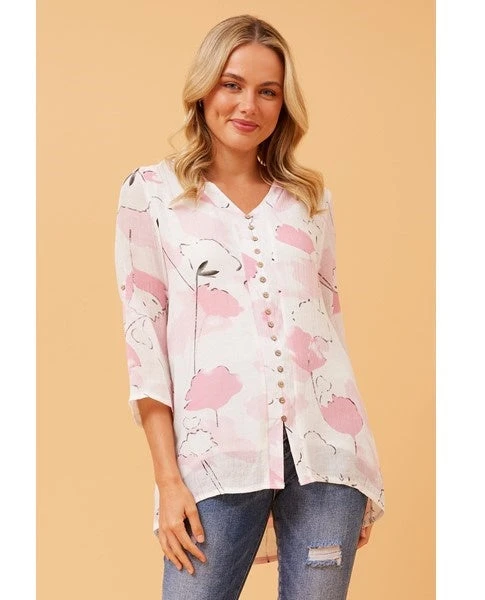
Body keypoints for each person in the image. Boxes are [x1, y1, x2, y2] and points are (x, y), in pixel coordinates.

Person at [114, 14, 385, 600]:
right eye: (232, 84)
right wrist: (168, 480)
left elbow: (328, 329)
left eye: (268, 91)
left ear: (284, 105)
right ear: (204, 88)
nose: (248, 105)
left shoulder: (309, 201)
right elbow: (144, 340)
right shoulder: (153, 193)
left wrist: (355, 472)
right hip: (217, 457)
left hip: (325, 459)